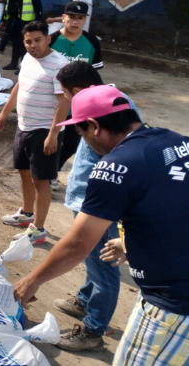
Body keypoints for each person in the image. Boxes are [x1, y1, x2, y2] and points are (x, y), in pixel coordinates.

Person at [13, 85, 189, 366]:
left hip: (178, 305)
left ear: (93, 126)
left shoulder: (116, 166)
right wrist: (130, 243)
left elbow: (78, 244)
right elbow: (178, 205)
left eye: (80, 133)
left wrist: (32, 280)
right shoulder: (177, 142)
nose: (82, 142)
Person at [50, 62, 139, 352]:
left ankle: (93, 329)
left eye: (65, 94)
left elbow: (120, 157)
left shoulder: (107, 110)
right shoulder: (115, 100)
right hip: (88, 197)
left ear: (77, 91)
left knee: (102, 267)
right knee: (93, 259)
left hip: (97, 203)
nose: (65, 100)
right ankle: (85, 300)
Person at [0, 21, 70, 245]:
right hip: (24, 125)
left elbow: (63, 103)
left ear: (48, 39)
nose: (32, 45)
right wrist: (5, 111)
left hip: (44, 130)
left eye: (38, 40)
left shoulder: (59, 65)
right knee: (24, 172)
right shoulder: (28, 57)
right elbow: (20, 84)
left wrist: (53, 135)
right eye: (28, 41)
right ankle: (27, 214)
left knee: (41, 181)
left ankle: (38, 229)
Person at [49, 0, 104, 189]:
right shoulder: (52, 39)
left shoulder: (91, 42)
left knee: (72, 144)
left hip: (79, 104)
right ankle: (46, 174)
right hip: (53, 101)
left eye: (80, 18)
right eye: (72, 17)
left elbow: (95, 75)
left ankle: (52, 172)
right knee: (52, 140)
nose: (75, 22)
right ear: (63, 17)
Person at [2, 0, 43, 71]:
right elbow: (8, 5)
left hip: (26, 22)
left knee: (23, 45)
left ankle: (23, 66)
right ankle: (13, 63)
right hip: (13, 21)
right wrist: (3, 19)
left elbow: (38, 7)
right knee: (14, 43)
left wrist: (37, 22)